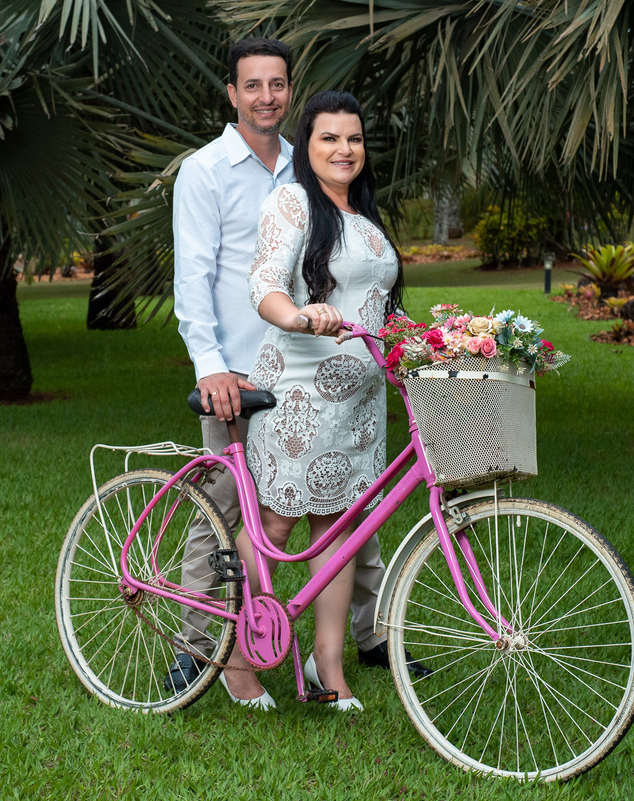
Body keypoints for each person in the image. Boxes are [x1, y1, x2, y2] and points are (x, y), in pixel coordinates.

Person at [169, 40, 414, 706]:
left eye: (278, 84)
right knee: (232, 515)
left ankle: (343, 654)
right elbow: (206, 281)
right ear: (233, 93)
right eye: (253, 85)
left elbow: (370, 293)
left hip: (352, 391)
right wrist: (212, 363)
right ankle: (206, 653)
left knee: (343, 529)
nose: (267, 95)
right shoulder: (209, 171)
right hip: (260, 372)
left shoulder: (323, 188)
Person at [221, 90, 403, 712]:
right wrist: (300, 316)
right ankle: (240, 660)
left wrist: (428, 343)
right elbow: (264, 285)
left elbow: (383, 307)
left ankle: (328, 670)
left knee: (340, 530)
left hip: (360, 407)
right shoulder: (293, 201)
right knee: (275, 524)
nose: (343, 150)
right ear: (310, 144)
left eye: (353, 138)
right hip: (298, 395)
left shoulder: (366, 215)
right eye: (329, 138)